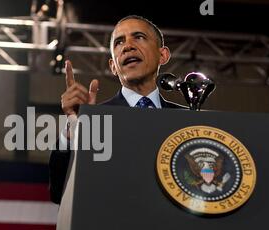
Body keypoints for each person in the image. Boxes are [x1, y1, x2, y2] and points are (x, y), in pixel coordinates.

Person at [49, 15, 186, 204]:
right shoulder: (93, 122)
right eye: (119, 42)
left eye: (138, 37)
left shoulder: (187, 119)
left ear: (163, 55)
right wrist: (73, 129)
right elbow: (58, 192)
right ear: (113, 66)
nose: (127, 46)